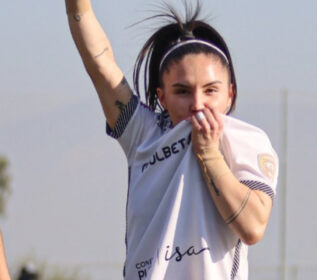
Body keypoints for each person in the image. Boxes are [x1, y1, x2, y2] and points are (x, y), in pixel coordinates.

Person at [65, 1, 279, 279]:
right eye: (182, 91)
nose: (198, 103)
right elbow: (100, 64)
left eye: (211, 90)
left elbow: (253, 226)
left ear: (230, 94)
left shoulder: (246, 140)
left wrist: (210, 155)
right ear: (162, 96)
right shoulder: (142, 133)